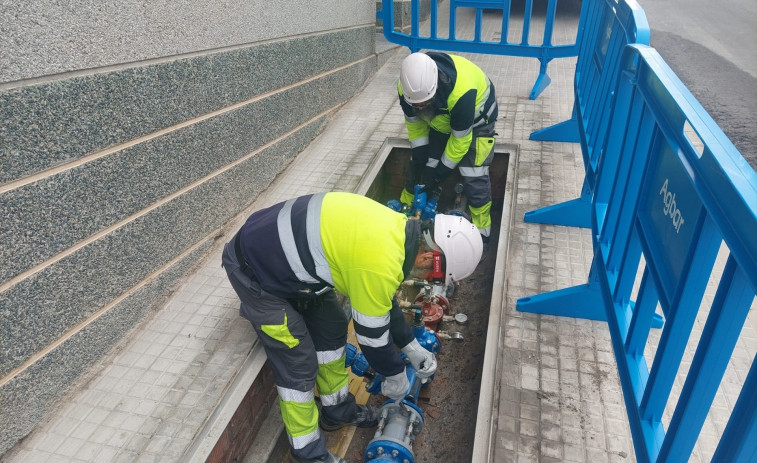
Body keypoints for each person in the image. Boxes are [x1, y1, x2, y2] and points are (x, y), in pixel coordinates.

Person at [221, 192, 483, 463]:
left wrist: (410, 345)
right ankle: (308, 453)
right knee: (298, 363)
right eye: (434, 277)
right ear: (430, 257)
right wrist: (394, 374)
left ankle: (336, 410)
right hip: (255, 274)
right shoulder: (379, 262)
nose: (427, 281)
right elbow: (371, 338)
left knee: (333, 325)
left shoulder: (397, 230)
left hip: (289, 262)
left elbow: (382, 302)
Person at [397, 51, 499, 244]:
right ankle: (403, 215)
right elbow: (415, 123)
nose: (419, 108)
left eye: (424, 104)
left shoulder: (461, 93)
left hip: (477, 122)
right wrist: (419, 157)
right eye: (416, 105)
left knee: (474, 174)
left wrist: (440, 174)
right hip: (441, 119)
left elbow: (460, 141)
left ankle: (481, 234)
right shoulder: (407, 89)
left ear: (435, 88)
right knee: (421, 165)